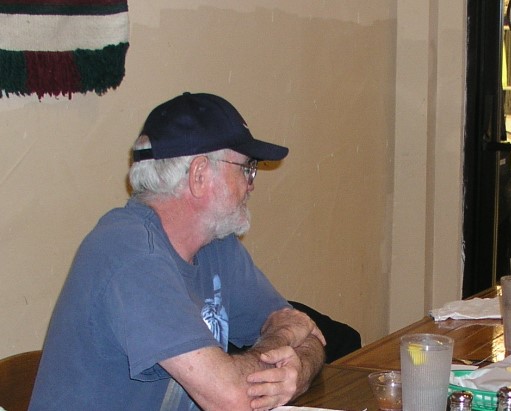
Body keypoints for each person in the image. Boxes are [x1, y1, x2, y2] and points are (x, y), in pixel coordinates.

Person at [30, 92, 327, 410]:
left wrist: (298, 370)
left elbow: (307, 332)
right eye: (246, 168)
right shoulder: (130, 254)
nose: (251, 183)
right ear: (200, 174)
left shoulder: (216, 244)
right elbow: (231, 397)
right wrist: (280, 344)